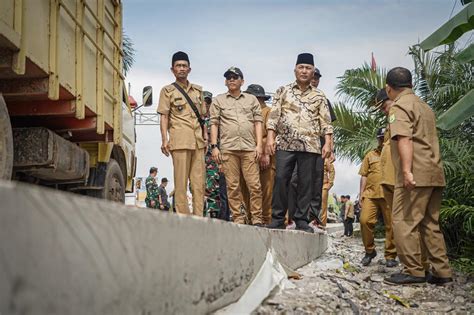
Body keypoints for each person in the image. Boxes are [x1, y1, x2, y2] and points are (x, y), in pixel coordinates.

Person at [383, 67, 452, 285]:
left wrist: (406, 171)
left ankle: (414, 271)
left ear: (389, 88)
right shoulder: (425, 107)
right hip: (434, 173)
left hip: (415, 175)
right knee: (430, 223)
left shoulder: (400, 106)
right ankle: (442, 272)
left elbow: (404, 138)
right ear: (411, 85)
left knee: (404, 221)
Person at [266, 53, 333, 233]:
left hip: (310, 145)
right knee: (281, 179)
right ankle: (278, 218)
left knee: (306, 183)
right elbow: (274, 116)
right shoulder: (283, 90)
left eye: (308, 68)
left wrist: (328, 143)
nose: (304, 71)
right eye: (301, 67)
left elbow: (326, 122)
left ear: (313, 72)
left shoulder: (320, 96)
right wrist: (271, 137)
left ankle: (301, 219)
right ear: (295, 69)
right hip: (285, 144)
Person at [210, 67, 264, 226]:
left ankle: (257, 219)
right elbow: (214, 124)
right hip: (228, 149)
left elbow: (258, 123)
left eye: (235, 77)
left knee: (254, 185)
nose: (232, 80)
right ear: (225, 81)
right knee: (232, 187)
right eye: (229, 78)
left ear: (242, 81)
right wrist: (214, 146)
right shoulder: (218, 100)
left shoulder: (251, 100)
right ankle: (239, 219)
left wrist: (259, 145)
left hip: (249, 149)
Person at [157, 51, 206, 216]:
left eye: (184, 66)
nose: (182, 69)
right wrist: (164, 140)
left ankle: (199, 217)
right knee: (180, 184)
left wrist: (206, 139)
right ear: (172, 70)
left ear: (189, 69)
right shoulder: (167, 91)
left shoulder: (198, 91)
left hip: (198, 143)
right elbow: (164, 116)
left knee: (199, 184)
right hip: (179, 142)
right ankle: (184, 218)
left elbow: (203, 118)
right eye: (178, 66)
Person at [287, 68, 336, 228]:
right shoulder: (293, 96)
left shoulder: (323, 99)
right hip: (297, 147)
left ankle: (314, 218)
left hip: (318, 147)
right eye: (312, 77)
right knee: (294, 180)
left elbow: (329, 127)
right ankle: (294, 217)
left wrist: (331, 149)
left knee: (316, 182)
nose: (314, 80)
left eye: (317, 78)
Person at [358, 128, 397, 267]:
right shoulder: (370, 155)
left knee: (391, 225)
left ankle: (390, 255)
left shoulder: (394, 153)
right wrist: (361, 194)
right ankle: (369, 251)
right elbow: (364, 175)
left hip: (389, 193)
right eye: (380, 138)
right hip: (370, 194)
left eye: (384, 137)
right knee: (364, 221)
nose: (382, 140)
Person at [240, 84, 274, 225]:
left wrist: (265, 154)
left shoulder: (268, 111)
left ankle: (265, 218)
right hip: (247, 154)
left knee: (265, 189)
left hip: (265, 156)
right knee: (247, 187)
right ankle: (250, 217)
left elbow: (271, 135)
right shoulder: (246, 113)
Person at [203, 91, 221, 218]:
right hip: (197, 158)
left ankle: (214, 212)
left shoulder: (214, 121)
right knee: (196, 187)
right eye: (204, 101)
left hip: (212, 159)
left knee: (213, 186)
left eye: (208, 102)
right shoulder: (193, 120)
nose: (206, 105)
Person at [320, 159, 335, 228]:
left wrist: (330, 184)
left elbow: (332, 171)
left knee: (323, 205)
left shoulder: (326, 160)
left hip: (324, 185)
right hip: (313, 185)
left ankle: (322, 224)